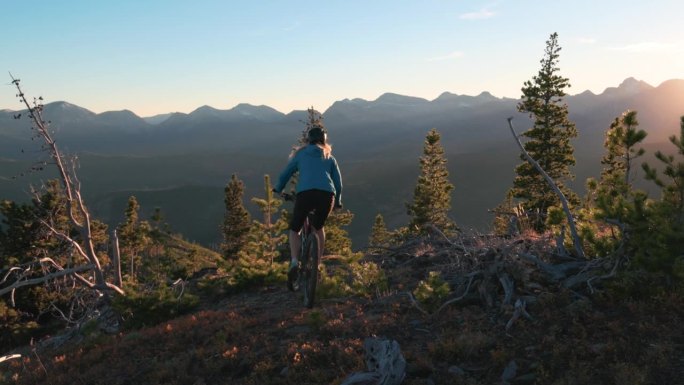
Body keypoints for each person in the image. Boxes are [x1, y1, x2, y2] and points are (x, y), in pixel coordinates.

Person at [273, 125, 343, 287]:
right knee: (318, 228)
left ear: (308, 140)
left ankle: (294, 261)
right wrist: (338, 200)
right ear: (324, 141)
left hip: (305, 195)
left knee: (295, 229)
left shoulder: (300, 154)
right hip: (326, 196)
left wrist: (278, 188)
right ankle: (317, 265)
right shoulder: (329, 157)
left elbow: (286, 173)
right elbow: (338, 183)